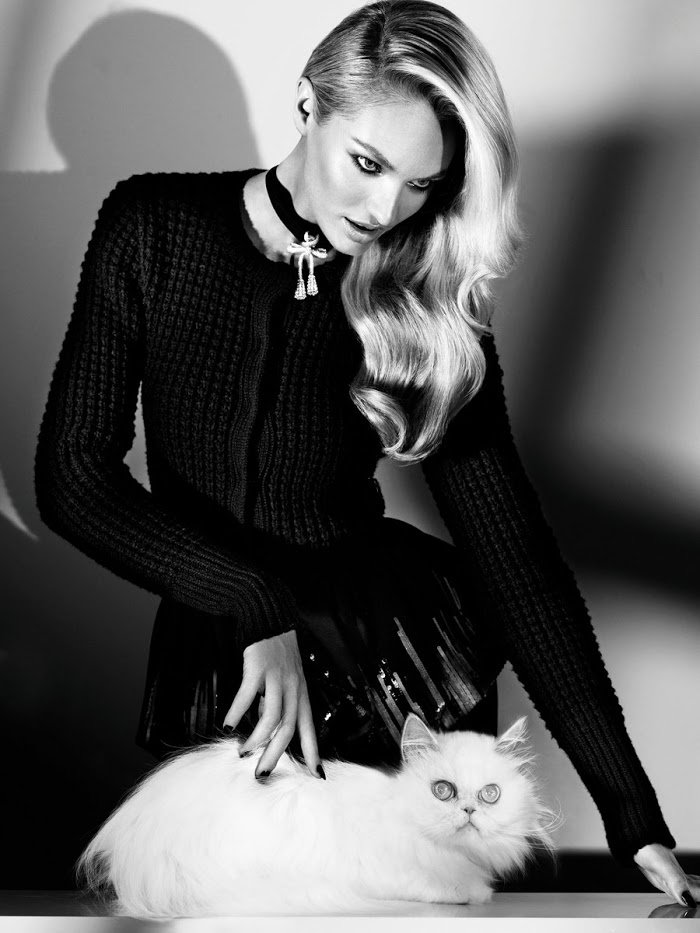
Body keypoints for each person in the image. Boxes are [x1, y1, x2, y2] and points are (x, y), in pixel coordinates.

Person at [34, 0, 698, 908]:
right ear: (310, 104)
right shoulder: (153, 226)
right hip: (232, 652)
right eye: (369, 163)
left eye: (423, 184)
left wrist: (632, 811)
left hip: (395, 670)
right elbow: (73, 479)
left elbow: (516, 559)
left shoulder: (425, 297)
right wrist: (250, 600)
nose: (387, 209)